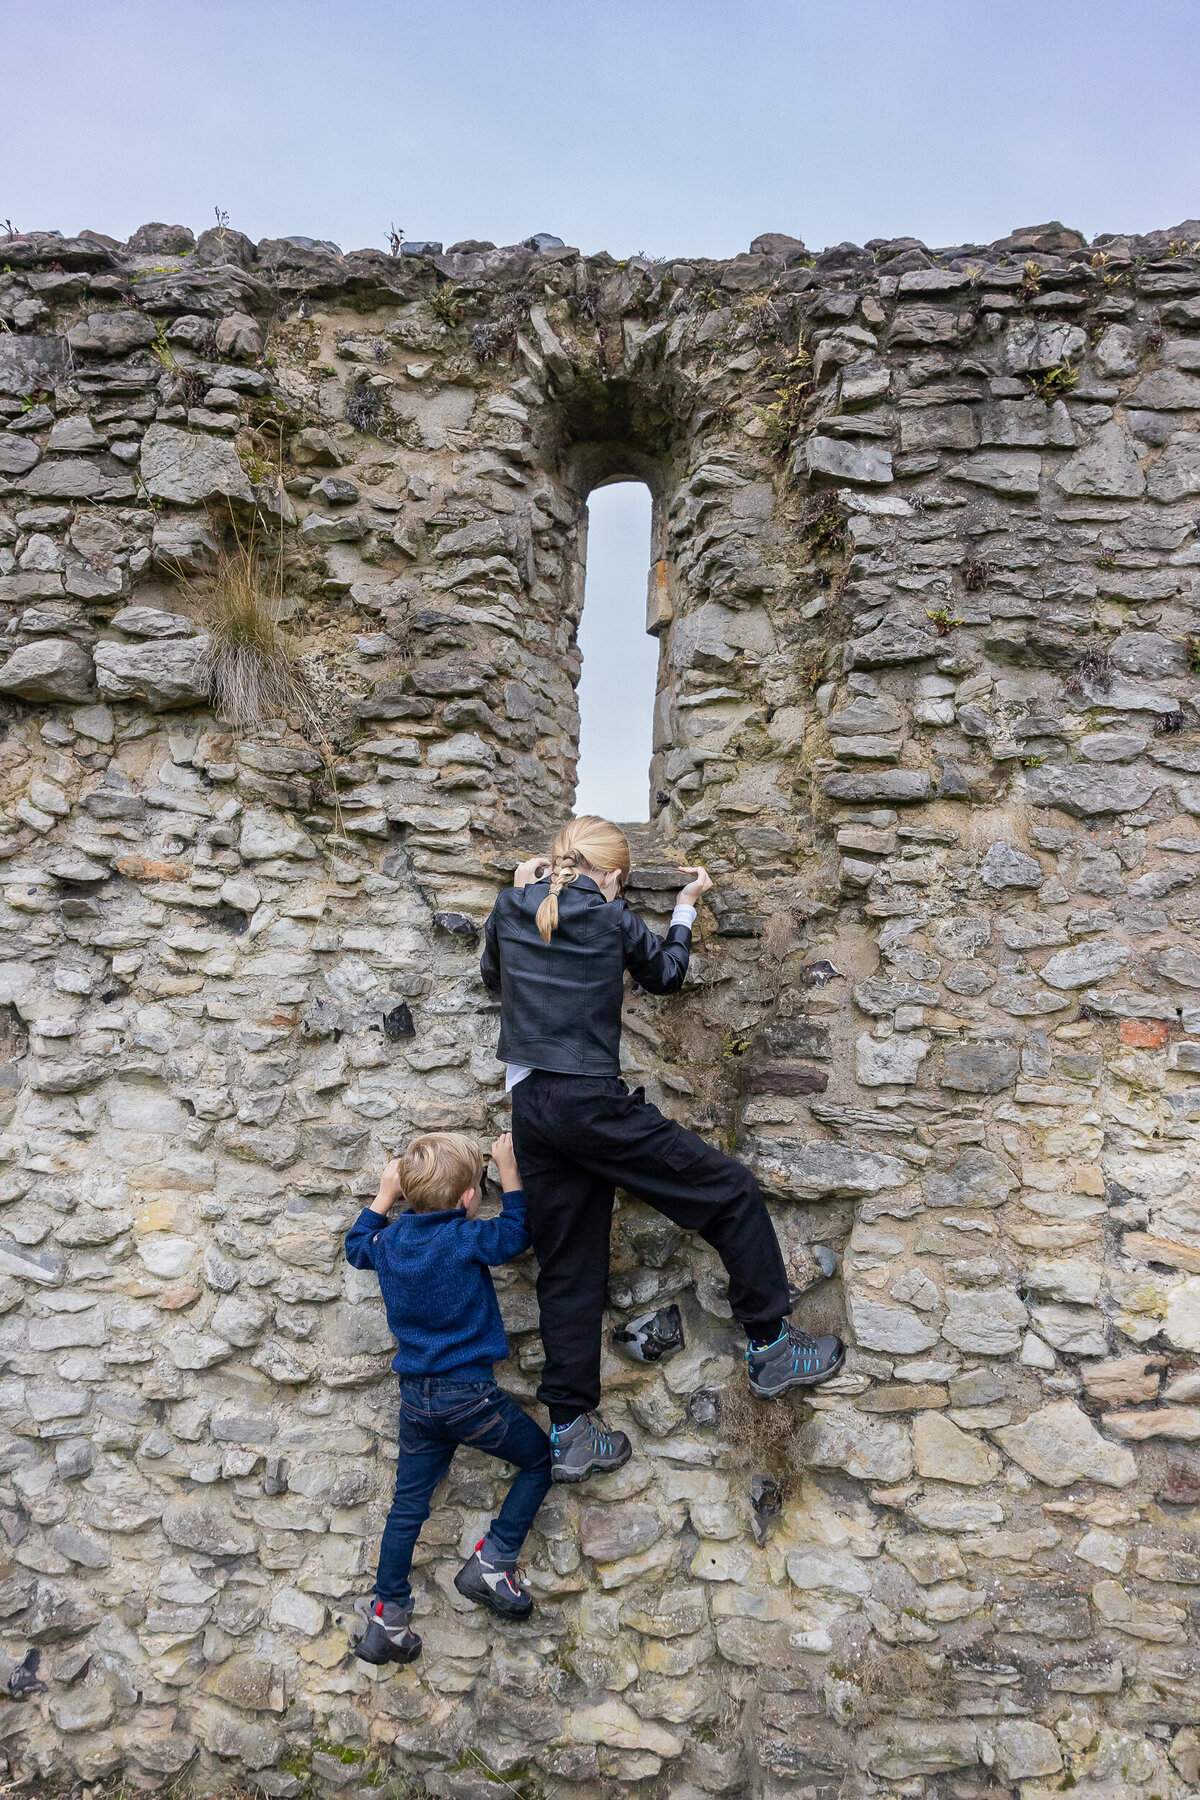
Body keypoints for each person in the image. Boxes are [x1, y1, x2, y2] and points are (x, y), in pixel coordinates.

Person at [480, 815, 844, 1484]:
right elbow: (668, 976)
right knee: (728, 1192)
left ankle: (570, 1432)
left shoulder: (512, 905)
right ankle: (771, 1346)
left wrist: (514, 891)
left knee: (568, 1267)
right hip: (591, 1103)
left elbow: (492, 977)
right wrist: (683, 909)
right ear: (613, 874)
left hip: (533, 1109)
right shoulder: (611, 918)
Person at [345, 1130, 552, 1666]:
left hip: (417, 1401)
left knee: (407, 1506)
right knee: (539, 1460)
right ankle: (493, 1561)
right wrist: (509, 1172)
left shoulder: (386, 1243)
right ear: (467, 1198)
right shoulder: (464, 1239)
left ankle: (387, 1618)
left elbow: (354, 1247)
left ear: (409, 1193)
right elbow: (515, 1234)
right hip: (468, 1398)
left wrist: (383, 1195)